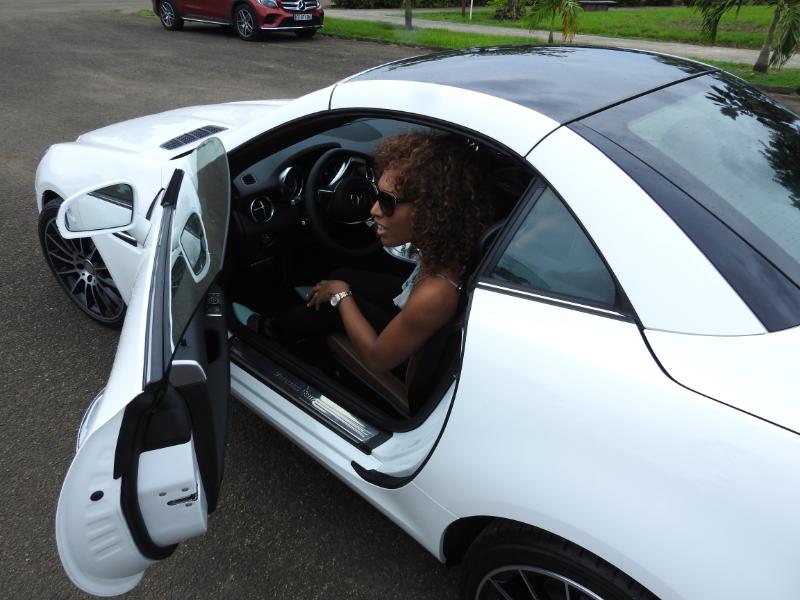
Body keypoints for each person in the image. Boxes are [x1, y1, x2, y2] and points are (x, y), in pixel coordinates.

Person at [243, 131, 493, 376]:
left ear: (429, 210)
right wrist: (341, 285)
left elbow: (377, 359)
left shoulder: (436, 293)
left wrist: (341, 294)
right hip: (413, 308)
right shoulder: (449, 248)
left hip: (395, 359)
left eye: (387, 201)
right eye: (376, 195)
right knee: (343, 274)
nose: (374, 210)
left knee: (333, 301)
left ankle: (270, 332)